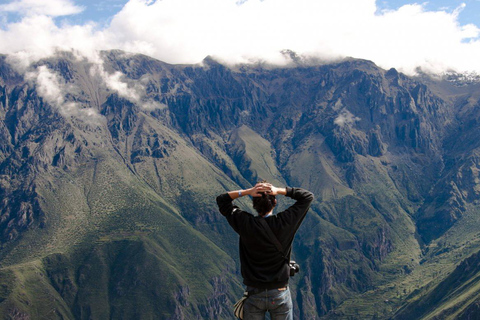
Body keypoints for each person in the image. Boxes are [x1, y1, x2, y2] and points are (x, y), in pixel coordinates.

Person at [216, 181, 314, 320]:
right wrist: (278, 190)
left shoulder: (245, 223)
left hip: (254, 292)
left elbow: (222, 200)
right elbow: (307, 196)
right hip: (279, 292)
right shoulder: (285, 223)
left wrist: (247, 191)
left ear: (254, 204)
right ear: (274, 202)